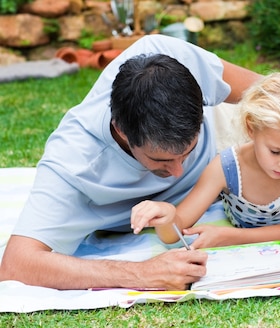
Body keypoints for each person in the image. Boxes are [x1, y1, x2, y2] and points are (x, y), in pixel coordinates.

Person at [0, 34, 262, 290]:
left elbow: (273, 93)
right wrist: (141, 273)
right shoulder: (72, 163)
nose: (177, 171)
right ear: (122, 131)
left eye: (187, 152)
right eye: (161, 160)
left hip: (222, 137)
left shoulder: (167, 54)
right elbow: (17, 264)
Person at [129, 71, 280, 248]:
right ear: (251, 128)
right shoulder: (227, 167)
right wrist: (166, 216)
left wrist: (230, 236)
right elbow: (174, 233)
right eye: (275, 151)